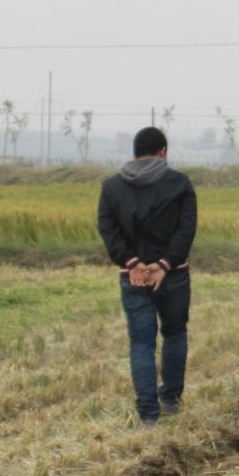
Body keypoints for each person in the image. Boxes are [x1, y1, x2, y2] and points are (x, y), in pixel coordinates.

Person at [97, 127, 198, 424]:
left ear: (134, 152)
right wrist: (165, 265)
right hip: (174, 275)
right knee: (174, 333)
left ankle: (148, 415)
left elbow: (108, 230)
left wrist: (133, 263)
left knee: (141, 343)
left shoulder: (111, 187)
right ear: (163, 152)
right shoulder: (179, 184)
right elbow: (186, 229)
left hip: (134, 277)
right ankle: (170, 400)